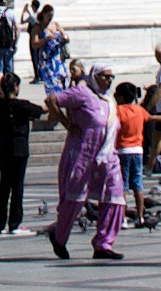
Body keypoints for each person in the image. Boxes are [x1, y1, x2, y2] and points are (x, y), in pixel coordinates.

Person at [48, 68, 124, 261]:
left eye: (111, 76)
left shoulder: (109, 99)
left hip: (107, 156)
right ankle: (59, 236)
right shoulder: (82, 93)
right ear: (94, 76)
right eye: (105, 76)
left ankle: (103, 243)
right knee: (75, 198)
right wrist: (67, 123)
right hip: (84, 155)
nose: (109, 80)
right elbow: (52, 100)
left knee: (115, 196)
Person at [0, 70, 35, 235]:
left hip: (3, 148)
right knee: (17, 186)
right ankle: (14, 223)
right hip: (20, 149)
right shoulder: (22, 105)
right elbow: (40, 111)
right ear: (15, 87)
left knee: (4, 186)